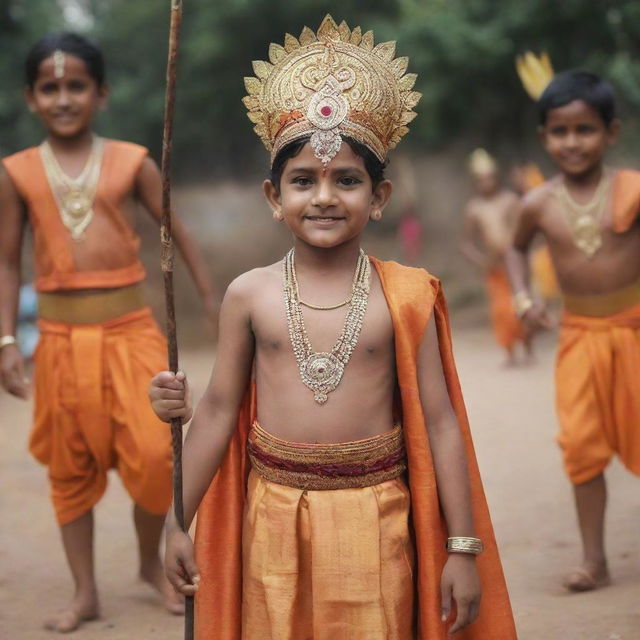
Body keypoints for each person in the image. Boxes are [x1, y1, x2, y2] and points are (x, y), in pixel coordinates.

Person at [150, 16, 516, 640]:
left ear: (378, 197)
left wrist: (462, 547)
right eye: (303, 180)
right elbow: (214, 414)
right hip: (272, 516)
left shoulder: (407, 295)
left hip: (377, 516)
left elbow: (441, 421)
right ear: (274, 196)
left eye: (347, 180)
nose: (324, 196)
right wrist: (175, 519)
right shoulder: (250, 294)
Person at [0, 33, 217, 632]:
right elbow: (6, 262)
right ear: (31, 97)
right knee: (69, 468)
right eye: (50, 87)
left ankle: (150, 564)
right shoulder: (15, 173)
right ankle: (85, 592)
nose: (63, 98)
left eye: (76, 86)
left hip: (131, 334)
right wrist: (6, 341)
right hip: (59, 343)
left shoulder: (133, 161)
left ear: (101, 93)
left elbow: (178, 232)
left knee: (155, 454)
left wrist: (210, 296)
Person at [506, 70, 640, 592]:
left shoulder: (632, 189)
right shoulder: (537, 204)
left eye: (585, 129)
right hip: (580, 335)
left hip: (635, 330)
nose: (572, 142)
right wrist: (522, 297)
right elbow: (515, 249)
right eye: (560, 131)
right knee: (581, 444)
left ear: (611, 133)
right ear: (544, 138)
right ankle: (595, 559)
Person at [461, 149, 531, 365]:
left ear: (497, 178)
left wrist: (520, 253)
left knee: (520, 306)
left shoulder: (509, 200)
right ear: (475, 183)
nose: (486, 183)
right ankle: (509, 352)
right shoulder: (474, 209)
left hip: (515, 265)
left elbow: (524, 229)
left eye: (489, 178)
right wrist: (481, 261)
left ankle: (528, 346)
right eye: (481, 180)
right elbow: (466, 243)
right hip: (494, 269)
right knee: (501, 311)